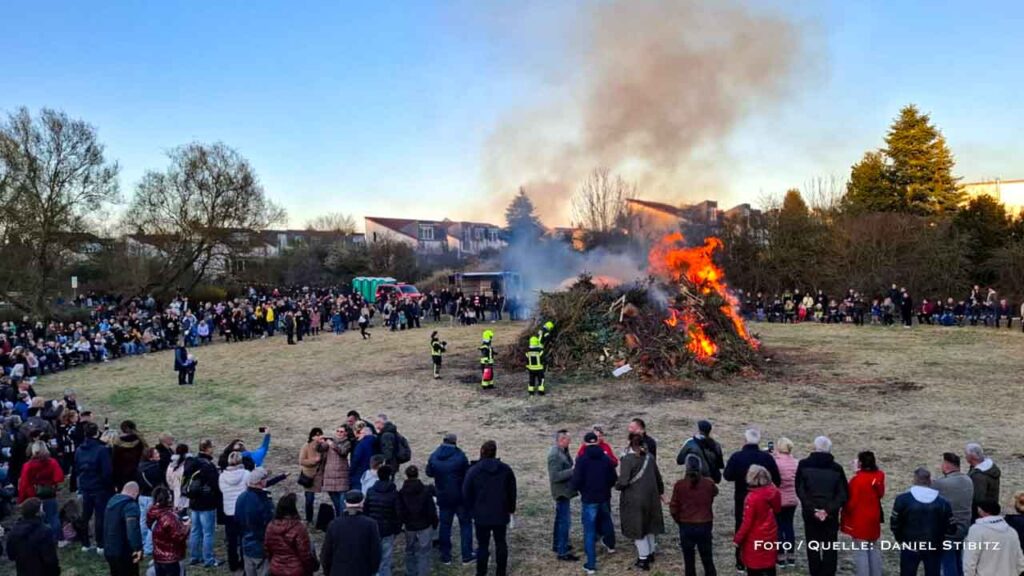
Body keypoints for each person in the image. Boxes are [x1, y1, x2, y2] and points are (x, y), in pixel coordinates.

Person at [723, 428, 781, 572]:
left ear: (745, 440)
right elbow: (777, 480)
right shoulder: (767, 458)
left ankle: (741, 561)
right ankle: (767, 559)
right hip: (765, 501)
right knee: (765, 529)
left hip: (742, 498)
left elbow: (727, 476)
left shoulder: (737, 457)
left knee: (742, 525)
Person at [795, 436, 848, 576]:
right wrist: (828, 510)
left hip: (810, 513)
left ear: (814, 447)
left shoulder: (804, 465)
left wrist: (813, 509)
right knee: (830, 546)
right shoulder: (837, 468)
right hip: (830, 514)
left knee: (812, 545)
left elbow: (800, 490)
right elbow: (843, 494)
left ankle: (815, 572)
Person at [463, 440, 517, 576]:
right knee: (501, 543)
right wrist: (511, 508)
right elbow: (512, 491)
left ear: (482, 451)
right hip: (500, 513)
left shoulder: (474, 471)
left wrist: (472, 510)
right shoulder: (505, 469)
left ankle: (481, 573)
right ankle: (501, 572)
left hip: (481, 516)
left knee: (482, 546)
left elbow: (466, 492)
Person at [891, 467, 954, 576]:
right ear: (929, 481)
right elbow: (951, 527)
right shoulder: (943, 502)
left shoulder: (902, 499)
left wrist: (901, 539)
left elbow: (895, 523)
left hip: (909, 545)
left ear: (915, 480)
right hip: (933, 546)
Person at [616, 432, 665, 571]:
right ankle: (650, 553)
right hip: (651, 497)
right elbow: (658, 477)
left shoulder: (627, 459)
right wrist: (661, 493)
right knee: (649, 526)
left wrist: (616, 485)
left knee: (638, 528)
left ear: (629, 443)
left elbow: (623, 481)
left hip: (634, 499)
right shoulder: (650, 457)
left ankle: (643, 559)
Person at [571, 431, 618, 575]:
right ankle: (610, 545)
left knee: (589, 531)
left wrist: (579, 490)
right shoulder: (605, 458)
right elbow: (613, 478)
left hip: (589, 498)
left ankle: (591, 564)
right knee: (607, 520)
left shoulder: (582, 459)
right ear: (597, 442)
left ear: (585, 443)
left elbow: (576, 480)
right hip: (603, 496)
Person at [426, 432, 475, 566]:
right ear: (455, 442)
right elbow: (467, 474)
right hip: (460, 496)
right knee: (465, 524)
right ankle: (467, 555)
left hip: (443, 496)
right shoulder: (460, 456)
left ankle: (445, 556)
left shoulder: (434, 455)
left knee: (445, 526)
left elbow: (429, 472)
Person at [670, 454, 718, 576]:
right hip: (704, 523)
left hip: (686, 524)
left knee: (689, 560)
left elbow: (674, 507)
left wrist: (679, 520)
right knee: (707, 558)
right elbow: (714, 492)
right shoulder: (708, 484)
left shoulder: (680, 485)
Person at [841, 451, 886, 576]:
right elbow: (880, 493)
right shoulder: (879, 475)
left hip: (860, 520)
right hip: (874, 519)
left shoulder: (857, 481)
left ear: (861, 463)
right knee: (873, 548)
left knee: (861, 551)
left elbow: (851, 504)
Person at [733, 465, 782, 576]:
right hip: (770, 533)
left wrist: (738, 539)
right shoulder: (773, 492)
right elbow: (778, 509)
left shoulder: (752, 498)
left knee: (755, 568)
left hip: (754, 537)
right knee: (770, 566)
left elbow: (747, 522)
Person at [321, 490, 381, 576]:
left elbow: (326, 553)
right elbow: (376, 552)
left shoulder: (334, 524)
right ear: (362, 503)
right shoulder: (370, 524)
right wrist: (372, 570)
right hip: (362, 571)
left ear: (345, 502)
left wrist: (327, 572)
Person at [934, 452, 974, 576]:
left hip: (948, 530)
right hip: (964, 527)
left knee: (948, 564)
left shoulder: (942, 484)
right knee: (958, 560)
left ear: (946, 465)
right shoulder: (968, 480)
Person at [76, 421, 114, 553]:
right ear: (97, 433)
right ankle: (100, 544)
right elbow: (107, 471)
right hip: (99, 487)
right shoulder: (102, 450)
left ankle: (85, 543)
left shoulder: (80, 449)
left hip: (86, 485)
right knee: (99, 516)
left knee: (85, 515)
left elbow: (76, 467)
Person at [17, 440, 64, 543]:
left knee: (38, 519)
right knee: (53, 516)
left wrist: (21, 499)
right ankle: (58, 539)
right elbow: (59, 477)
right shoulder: (52, 462)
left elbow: (24, 483)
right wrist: (51, 482)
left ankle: (43, 540)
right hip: (49, 492)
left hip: (33, 494)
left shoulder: (28, 465)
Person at [185, 439, 221, 568]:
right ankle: (209, 559)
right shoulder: (208, 465)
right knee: (208, 533)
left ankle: (194, 557)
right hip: (207, 503)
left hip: (194, 502)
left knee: (195, 531)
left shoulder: (192, 462)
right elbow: (215, 485)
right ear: (207, 448)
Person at [962, 500, 1024, 576]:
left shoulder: (976, 530)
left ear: (981, 511)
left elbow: (970, 559)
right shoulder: (1011, 531)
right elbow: (1020, 561)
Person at [264, 493, 318, 576]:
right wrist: (311, 568)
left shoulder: (270, 526)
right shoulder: (298, 528)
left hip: (276, 568)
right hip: (296, 570)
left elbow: (267, 549)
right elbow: (304, 554)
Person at [398, 465, 438, 576]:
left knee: (410, 550)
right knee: (424, 551)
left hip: (410, 525)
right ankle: (422, 573)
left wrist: (401, 523)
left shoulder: (402, 492)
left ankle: (411, 572)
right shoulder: (425, 491)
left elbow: (400, 510)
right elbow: (431, 509)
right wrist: (434, 522)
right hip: (424, 524)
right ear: (417, 475)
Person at [5, 498, 60, 576]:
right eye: (41, 509)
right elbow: (50, 559)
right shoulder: (44, 531)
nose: (43, 511)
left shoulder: (13, 532)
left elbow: (11, 555)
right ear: (37, 513)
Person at [547, 429, 579, 562]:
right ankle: (562, 551)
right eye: (568, 439)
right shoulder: (555, 455)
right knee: (564, 522)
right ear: (561, 440)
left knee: (560, 520)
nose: (570, 441)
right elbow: (555, 476)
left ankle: (558, 545)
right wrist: (572, 471)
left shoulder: (563, 451)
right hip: (561, 492)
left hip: (564, 491)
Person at [236, 468, 275, 576]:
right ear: (260, 481)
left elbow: (237, 521)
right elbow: (270, 524)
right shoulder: (264, 500)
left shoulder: (241, 497)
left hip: (246, 544)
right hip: (261, 546)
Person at [364, 465, 400, 576]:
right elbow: (397, 513)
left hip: (373, 528)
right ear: (389, 476)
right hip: (388, 529)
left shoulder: (370, 491)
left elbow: (366, 510)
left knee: (372, 556)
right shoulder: (394, 493)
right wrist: (397, 528)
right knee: (386, 558)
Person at [147, 486, 189, 576]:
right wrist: (187, 526)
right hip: (172, 557)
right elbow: (180, 536)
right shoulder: (168, 517)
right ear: (167, 498)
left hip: (158, 555)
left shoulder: (152, 512)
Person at [103, 481, 143, 576]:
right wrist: (137, 548)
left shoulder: (111, 502)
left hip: (109, 549)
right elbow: (132, 529)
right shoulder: (130, 506)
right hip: (124, 552)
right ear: (135, 493)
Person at [220, 451, 251, 573]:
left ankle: (232, 563)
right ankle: (244, 562)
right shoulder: (246, 474)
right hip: (242, 510)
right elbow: (248, 488)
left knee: (231, 540)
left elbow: (222, 490)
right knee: (244, 537)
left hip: (229, 511)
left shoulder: (222, 476)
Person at [771, 437, 798, 568]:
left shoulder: (775, 462)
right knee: (789, 526)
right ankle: (791, 556)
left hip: (779, 499)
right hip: (792, 499)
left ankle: (781, 556)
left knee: (779, 527)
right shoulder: (795, 462)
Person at [136, 447, 166, 557]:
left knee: (142, 521)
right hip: (151, 497)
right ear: (150, 456)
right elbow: (160, 482)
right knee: (152, 522)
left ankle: (143, 543)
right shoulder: (155, 468)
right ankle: (149, 547)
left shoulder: (140, 467)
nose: (158, 454)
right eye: (156, 453)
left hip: (142, 496)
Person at [322, 424, 353, 514]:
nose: (339, 433)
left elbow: (343, 452)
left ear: (346, 433)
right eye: (338, 431)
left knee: (342, 502)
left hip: (341, 476)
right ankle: (339, 517)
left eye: (341, 431)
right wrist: (320, 441)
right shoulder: (330, 441)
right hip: (330, 475)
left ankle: (342, 519)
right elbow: (320, 449)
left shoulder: (347, 443)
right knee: (335, 502)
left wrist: (332, 444)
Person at [965, 443, 1000, 520]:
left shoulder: (979, 476)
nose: (965, 456)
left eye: (966, 454)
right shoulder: (988, 468)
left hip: (982, 515)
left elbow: (978, 499)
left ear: (972, 457)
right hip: (990, 511)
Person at [298, 428, 326, 524]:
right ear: (312, 436)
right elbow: (301, 461)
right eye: (316, 435)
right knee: (309, 499)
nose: (319, 437)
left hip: (321, 475)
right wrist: (314, 460)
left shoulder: (324, 446)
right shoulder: (306, 446)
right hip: (309, 476)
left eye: (320, 434)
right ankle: (309, 519)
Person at [112, 420, 146, 492]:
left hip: (121, 475)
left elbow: (114, 460)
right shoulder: (140, 441)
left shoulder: (117, 443)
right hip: (136, 472)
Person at [349, 423, 377, 492]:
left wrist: (350, 472)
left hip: (359, 475)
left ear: (363, 433)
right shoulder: (376, 442)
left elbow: (356, 459)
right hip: (372, 474)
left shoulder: (361, 444)